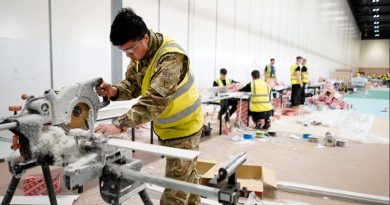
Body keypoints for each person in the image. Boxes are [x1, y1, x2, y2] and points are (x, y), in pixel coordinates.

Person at [94, 8, 203, 205]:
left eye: (130, 50)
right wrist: (114, 91)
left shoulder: (171, 57)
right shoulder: (139, 56)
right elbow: (132, 85)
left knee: (175, 192)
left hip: (185, 128)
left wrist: (119, 124)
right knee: (188, 178)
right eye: (123, 51)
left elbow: (154, 101)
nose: (129, 56)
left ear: (144, 38)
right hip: (168, 128)